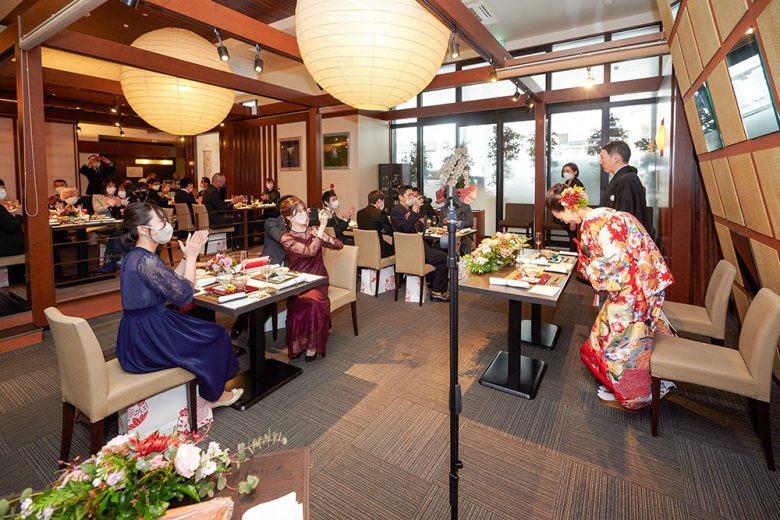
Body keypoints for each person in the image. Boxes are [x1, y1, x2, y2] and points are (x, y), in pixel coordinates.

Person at [546, 183, 676, 410]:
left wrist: (589, 269)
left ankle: (639, 393)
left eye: (561, 217)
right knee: (618, 333)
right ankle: (656, 380)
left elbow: (617, 261)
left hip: (631, 289)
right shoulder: (605, 213)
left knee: (623, 343)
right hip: (644, 281)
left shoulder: (594, 224)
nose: (564, 222)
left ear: (568, 206)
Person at [115, 202, 242, 407]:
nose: (166, 225)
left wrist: (184, 258)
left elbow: (169, 283)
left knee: (207, 331)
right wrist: (192, 258)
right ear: (142, 229)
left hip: (139, 330)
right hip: (149, 336)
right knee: (214, 335)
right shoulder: (146, 261)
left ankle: (206, 387)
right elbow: (183, 297)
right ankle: (214, 395)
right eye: (160, 222)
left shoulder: (137, 256)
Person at [279, 196, 343, 362]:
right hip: (298, 282)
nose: (305, 214)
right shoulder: (286, 238)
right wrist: (321, 228)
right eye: (299, 211)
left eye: (304, 209)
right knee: (299, 306)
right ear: (289, 217)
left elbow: (339, 245)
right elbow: (309, 251)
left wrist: (324, 236)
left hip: (319, 280)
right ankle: (299, 343)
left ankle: (312, 345)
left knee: (313, 303)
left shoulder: (314, 230)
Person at [390, 185, 448, 302]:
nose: (412, 197)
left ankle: (432, 283)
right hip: (410, 248)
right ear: (401, 197)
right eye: (409, 195)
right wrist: (415, 210)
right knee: (444, 258)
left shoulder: (408, 210)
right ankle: (437, 292)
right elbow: (405, 228)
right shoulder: (396, 210)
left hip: (417, 245)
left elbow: (416, 226)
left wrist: (423, 222)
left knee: (440, 250)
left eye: (413, 195)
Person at [600, 141, 654, 236]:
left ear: (615, 158)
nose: (601, 162)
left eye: (602, 157)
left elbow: (625, 217)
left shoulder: (627, 180)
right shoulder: (625, 177)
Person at [202, 173, 244, 248]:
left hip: (210, 219)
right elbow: (221, 210)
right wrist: (233, 203)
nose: (224, 184)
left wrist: (231, 201)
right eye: (223, 182)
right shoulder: (214, 192)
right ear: (217, 181)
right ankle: (238, 244)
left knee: (234, 218)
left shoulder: (208, 190)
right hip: (216, 221)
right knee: (240, 219)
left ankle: (230, 243)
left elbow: (218, 204)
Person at [0, 180, 25, 284]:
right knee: (36, 248)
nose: (3, 191)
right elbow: (11, 227)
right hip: (7, 248)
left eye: (3, 188)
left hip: (4, 244)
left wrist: (12, 217)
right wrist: (19, 215)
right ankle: (20, 282)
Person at [356, 189, 394, 258]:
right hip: (379, 249)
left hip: (364, 249)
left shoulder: (359, 213)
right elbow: (391, 231)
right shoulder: (380, 213)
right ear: (380, 201)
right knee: (396, 249)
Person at [561, 162, 586, 252]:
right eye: (564, 171)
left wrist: (573, 221)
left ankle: (574, 254)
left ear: (575, 172)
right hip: (567, 214)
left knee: (574, 238)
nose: (565, 173)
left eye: (568, 171)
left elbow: (578, 203)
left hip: (574, 215)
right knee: (571, 237)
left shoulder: (577, 184)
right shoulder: (566, 182)